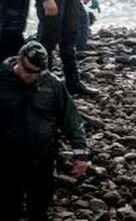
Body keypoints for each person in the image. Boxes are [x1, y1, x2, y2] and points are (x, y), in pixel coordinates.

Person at [0, 41, 89, 221]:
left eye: (36, 73)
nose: (30, 77)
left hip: (42, 158)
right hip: (7, 159)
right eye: (27, 70)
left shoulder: (52, 84)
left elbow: (71, 118)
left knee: (40, 208)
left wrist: (80, 153)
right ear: (19, 59)